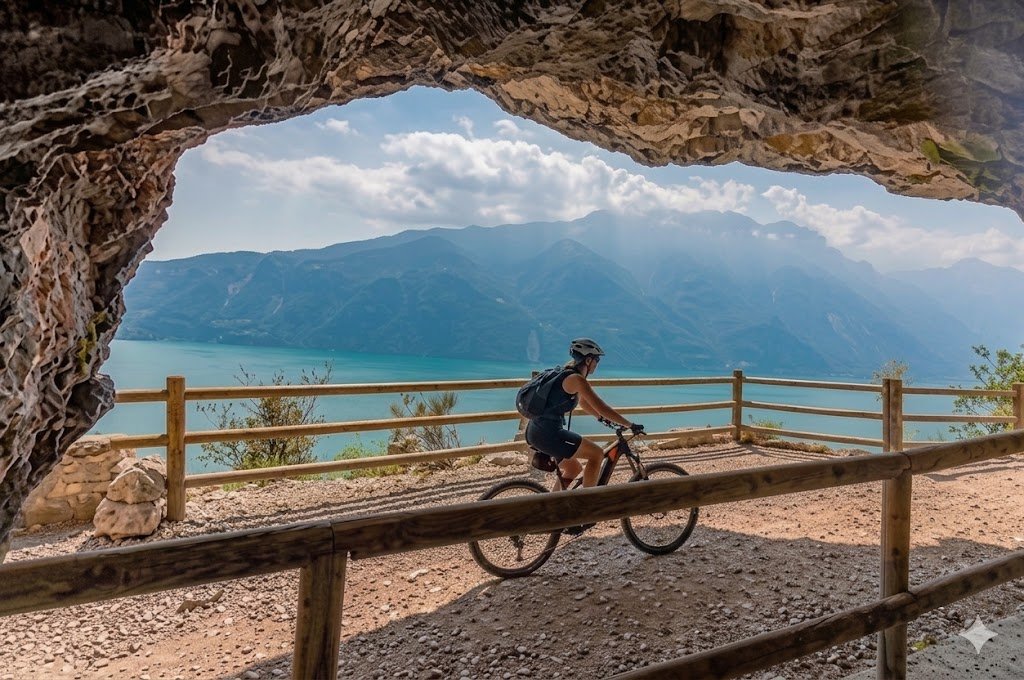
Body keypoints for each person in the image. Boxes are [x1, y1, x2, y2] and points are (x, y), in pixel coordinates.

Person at [524, 338, 644, 495]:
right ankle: (587, 505)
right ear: (588, 360)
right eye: (597, 360)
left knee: (573, 468)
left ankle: (552, 505)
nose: (597, 364)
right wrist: (630, 424)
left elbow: (584, 403)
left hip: (535, 431)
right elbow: (602, 406)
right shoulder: (577, 379)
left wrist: (600, 418)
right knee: (596, 454)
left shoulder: (567, 374)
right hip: (549, 434)